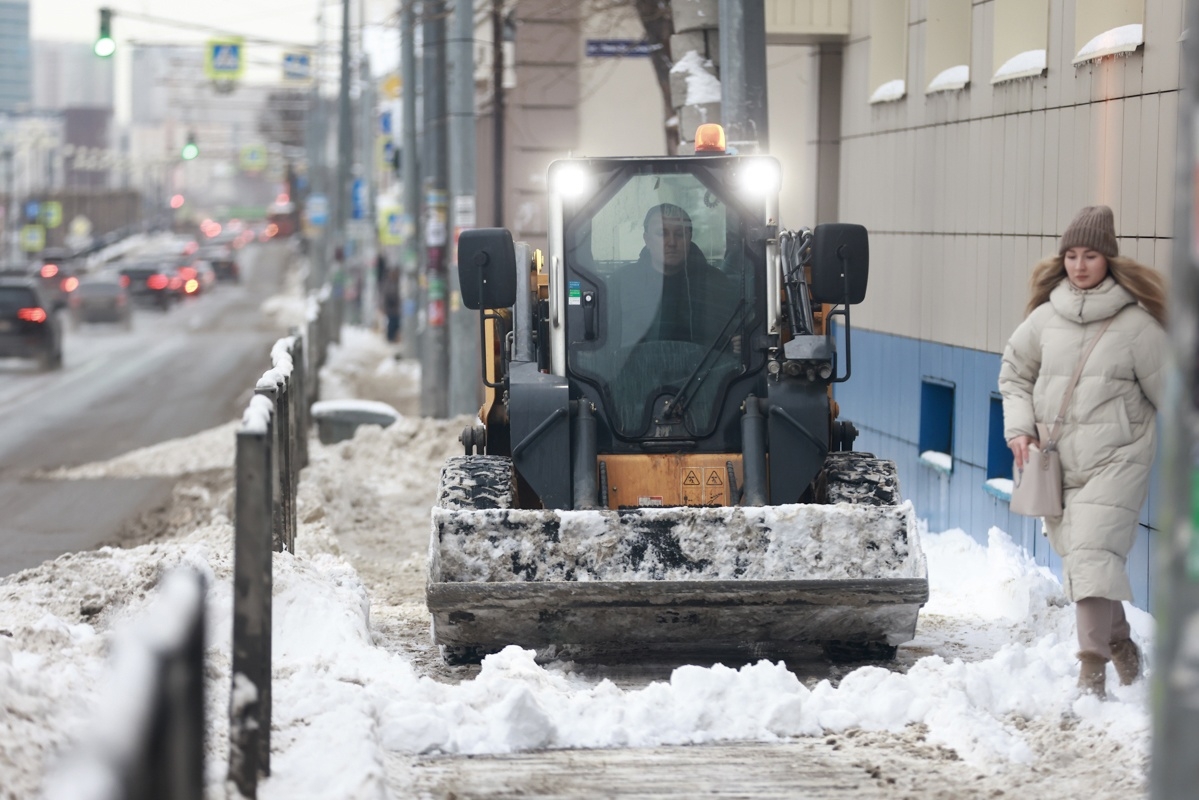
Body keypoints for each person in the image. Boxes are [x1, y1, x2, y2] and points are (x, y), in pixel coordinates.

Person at [998, 205, 1168, 699]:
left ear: (1108, 259)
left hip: (1118, 461)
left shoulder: (1137, 327)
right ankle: (1122, 646)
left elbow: (1174, 394)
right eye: (1070, 255)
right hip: (1058, 463)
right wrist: (1019, 431)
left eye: (1089, 255)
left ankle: (1091, 675)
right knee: (1085, 564)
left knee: (1091, 556)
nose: (1078, 265)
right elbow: (1014, 376)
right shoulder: (1045, 319)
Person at [609, 203, 738, 348]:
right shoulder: (622, 283)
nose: (671, 242)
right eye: (662, 234)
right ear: (647, 240)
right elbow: (605, 343)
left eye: (679, 234)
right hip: (635, 370)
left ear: (690, 237)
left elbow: (734, 341)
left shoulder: (716, 284)